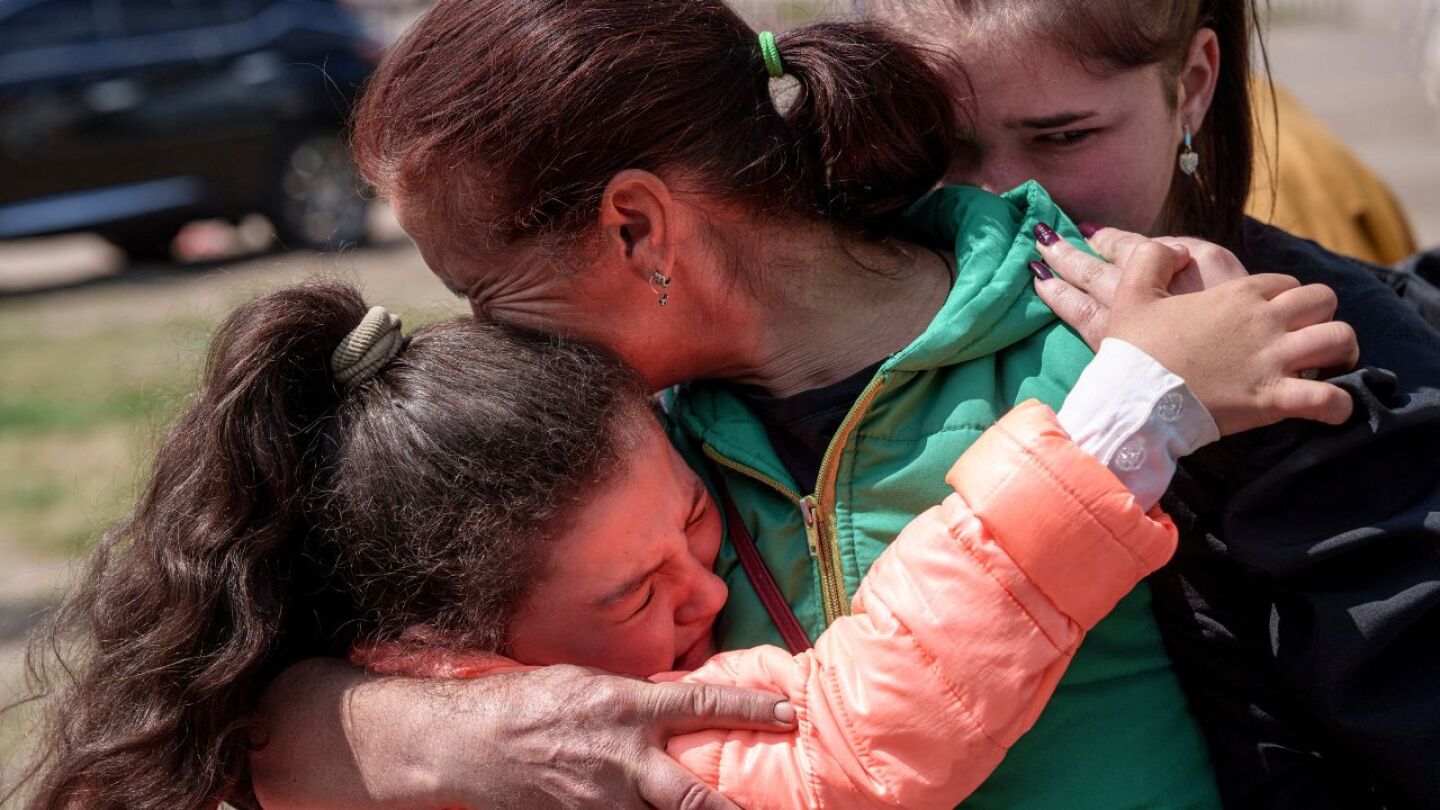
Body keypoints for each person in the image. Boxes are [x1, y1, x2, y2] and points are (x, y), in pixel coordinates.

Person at [240, 1, 1379, 808]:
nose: (488, 339)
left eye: (487, 291)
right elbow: (259, 708)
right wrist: (437, 733)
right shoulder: (617, 453)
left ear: (637, 227)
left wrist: (1150, 384)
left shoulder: (1114, 334)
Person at [17, 264, 1349, 810]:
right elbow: (851, 735)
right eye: (636, 588)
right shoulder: (566, 736)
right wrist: (1120, 418)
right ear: (441, 648)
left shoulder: (308, 714)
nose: (705, 583)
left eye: (697, 520)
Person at [871, 0, 1440, 805]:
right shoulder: (845, 336)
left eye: (1062, 137)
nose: (996, 198)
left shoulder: (1360, 356)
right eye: (941, 147)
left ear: (1195, 85)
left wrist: (1260, 431)